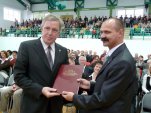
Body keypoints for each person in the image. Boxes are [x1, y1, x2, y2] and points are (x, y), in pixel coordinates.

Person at [62, 18, 137, 113]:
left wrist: (74, 98)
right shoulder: (116, 55)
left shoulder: (122, 61)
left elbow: (103, 99)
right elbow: (111, 87)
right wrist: (90, 85)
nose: (102, 36)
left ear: (120, 33)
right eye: (101, 32)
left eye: (107, 32)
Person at [14, 14, 68, 113]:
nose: (50, 33)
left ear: (59, 33)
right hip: (33, 104)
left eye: (54, 30)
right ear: (41, 28)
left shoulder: (63, 51)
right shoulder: (26, 47)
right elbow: (18, 76)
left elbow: (65, 77)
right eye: (47, 28)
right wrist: (40, 90)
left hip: (55, 105)